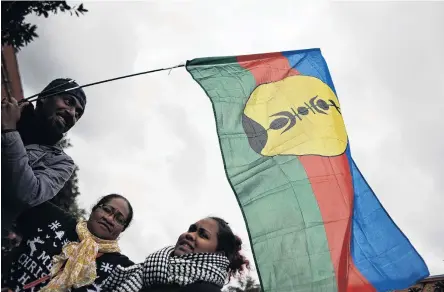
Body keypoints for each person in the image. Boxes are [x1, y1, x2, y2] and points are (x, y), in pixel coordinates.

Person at [1, 78, 87, 233]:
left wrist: (9, 132)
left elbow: (28, 194)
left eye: (78, 114)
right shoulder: (5, 114)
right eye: (68, 101)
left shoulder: (61, 163)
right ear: (44, 97)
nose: (72, 113)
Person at [1, 194, 134, 292]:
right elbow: (13, 195)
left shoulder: (122, 269)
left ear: (122, 229)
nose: (109, 218)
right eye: (107, 210)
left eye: (119, 219)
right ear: (94, 209)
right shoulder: (52, 217)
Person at [102, 217, 249, 292]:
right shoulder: (146, 270)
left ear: (218, 254)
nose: (190, 235)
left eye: (203, 235)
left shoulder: (204, 290)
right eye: (191, 229)